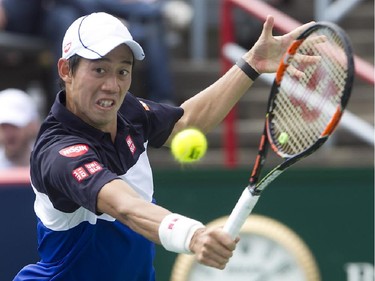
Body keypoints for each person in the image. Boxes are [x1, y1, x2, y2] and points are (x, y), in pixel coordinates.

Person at [13, 12, 313, 281]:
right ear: (66, 70)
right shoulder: (58, 151)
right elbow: (126, 207)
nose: (112, 86)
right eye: (99, 70)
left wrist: (252, 65)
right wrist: (192, 235)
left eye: (122, 71)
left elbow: (186, 123)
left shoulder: (127, 112)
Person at [0, 0, 187, 104]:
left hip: (102, 18)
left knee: (152, 29)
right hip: (51, 24)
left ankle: (162, 102)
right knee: (64, 16)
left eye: (123, 72)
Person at [0, 89, 40, 169]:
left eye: (14, 126)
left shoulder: (48, 164)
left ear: (32, 125)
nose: (9, 134)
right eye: (3, 126)